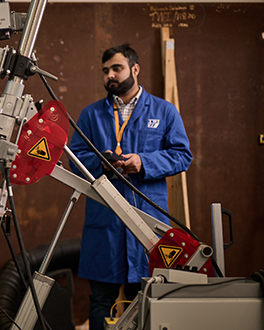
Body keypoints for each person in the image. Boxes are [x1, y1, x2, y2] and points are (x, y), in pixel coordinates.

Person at [68, 43, 192, 330]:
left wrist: (144, 162)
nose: (110, 75)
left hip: (148, 222)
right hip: (106, 222)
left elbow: (182, 155)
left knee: (149, 302)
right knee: (100, 302)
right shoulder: (91, 114)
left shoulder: (164, 111)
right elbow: (76, 158)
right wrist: (101, 163)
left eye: (117, 68)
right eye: (105, 71)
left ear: (135, 69)